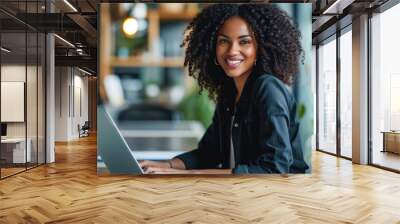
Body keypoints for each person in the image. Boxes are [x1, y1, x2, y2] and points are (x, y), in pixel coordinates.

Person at [139, 3, 309, 174]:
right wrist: (166, 166)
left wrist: (188, 174)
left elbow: (274, 168)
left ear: (260, 47)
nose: (232, 51)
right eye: (223, 41)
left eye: (244, 42)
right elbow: (209, 153)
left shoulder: (268, 89)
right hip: (241, 192)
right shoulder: (229, 93)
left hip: (280, 195)